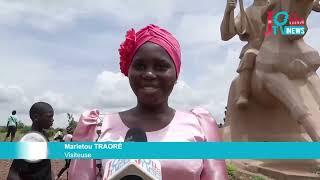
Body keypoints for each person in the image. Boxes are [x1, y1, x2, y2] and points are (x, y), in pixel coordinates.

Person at [68, 24, 228, 180]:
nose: (149, 74)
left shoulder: (201, 126)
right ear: (129, 71)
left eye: (161, 66)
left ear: (176, 73)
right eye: (140, 66)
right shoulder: (96, 128)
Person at [220, 0, 275, 109]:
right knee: (249, 55)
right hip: (255, 50)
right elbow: (226, 35)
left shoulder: (277, 8)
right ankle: (243, 93)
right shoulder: (247, 13)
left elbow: (294, 29)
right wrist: (228, 11)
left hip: (276, 49)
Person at [7, 102, 55, 180]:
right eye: (49, 116)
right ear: (36, 117)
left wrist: (51, 174)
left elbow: (44, 163)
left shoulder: (43, 135)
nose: (52, 120)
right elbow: (13, 174)